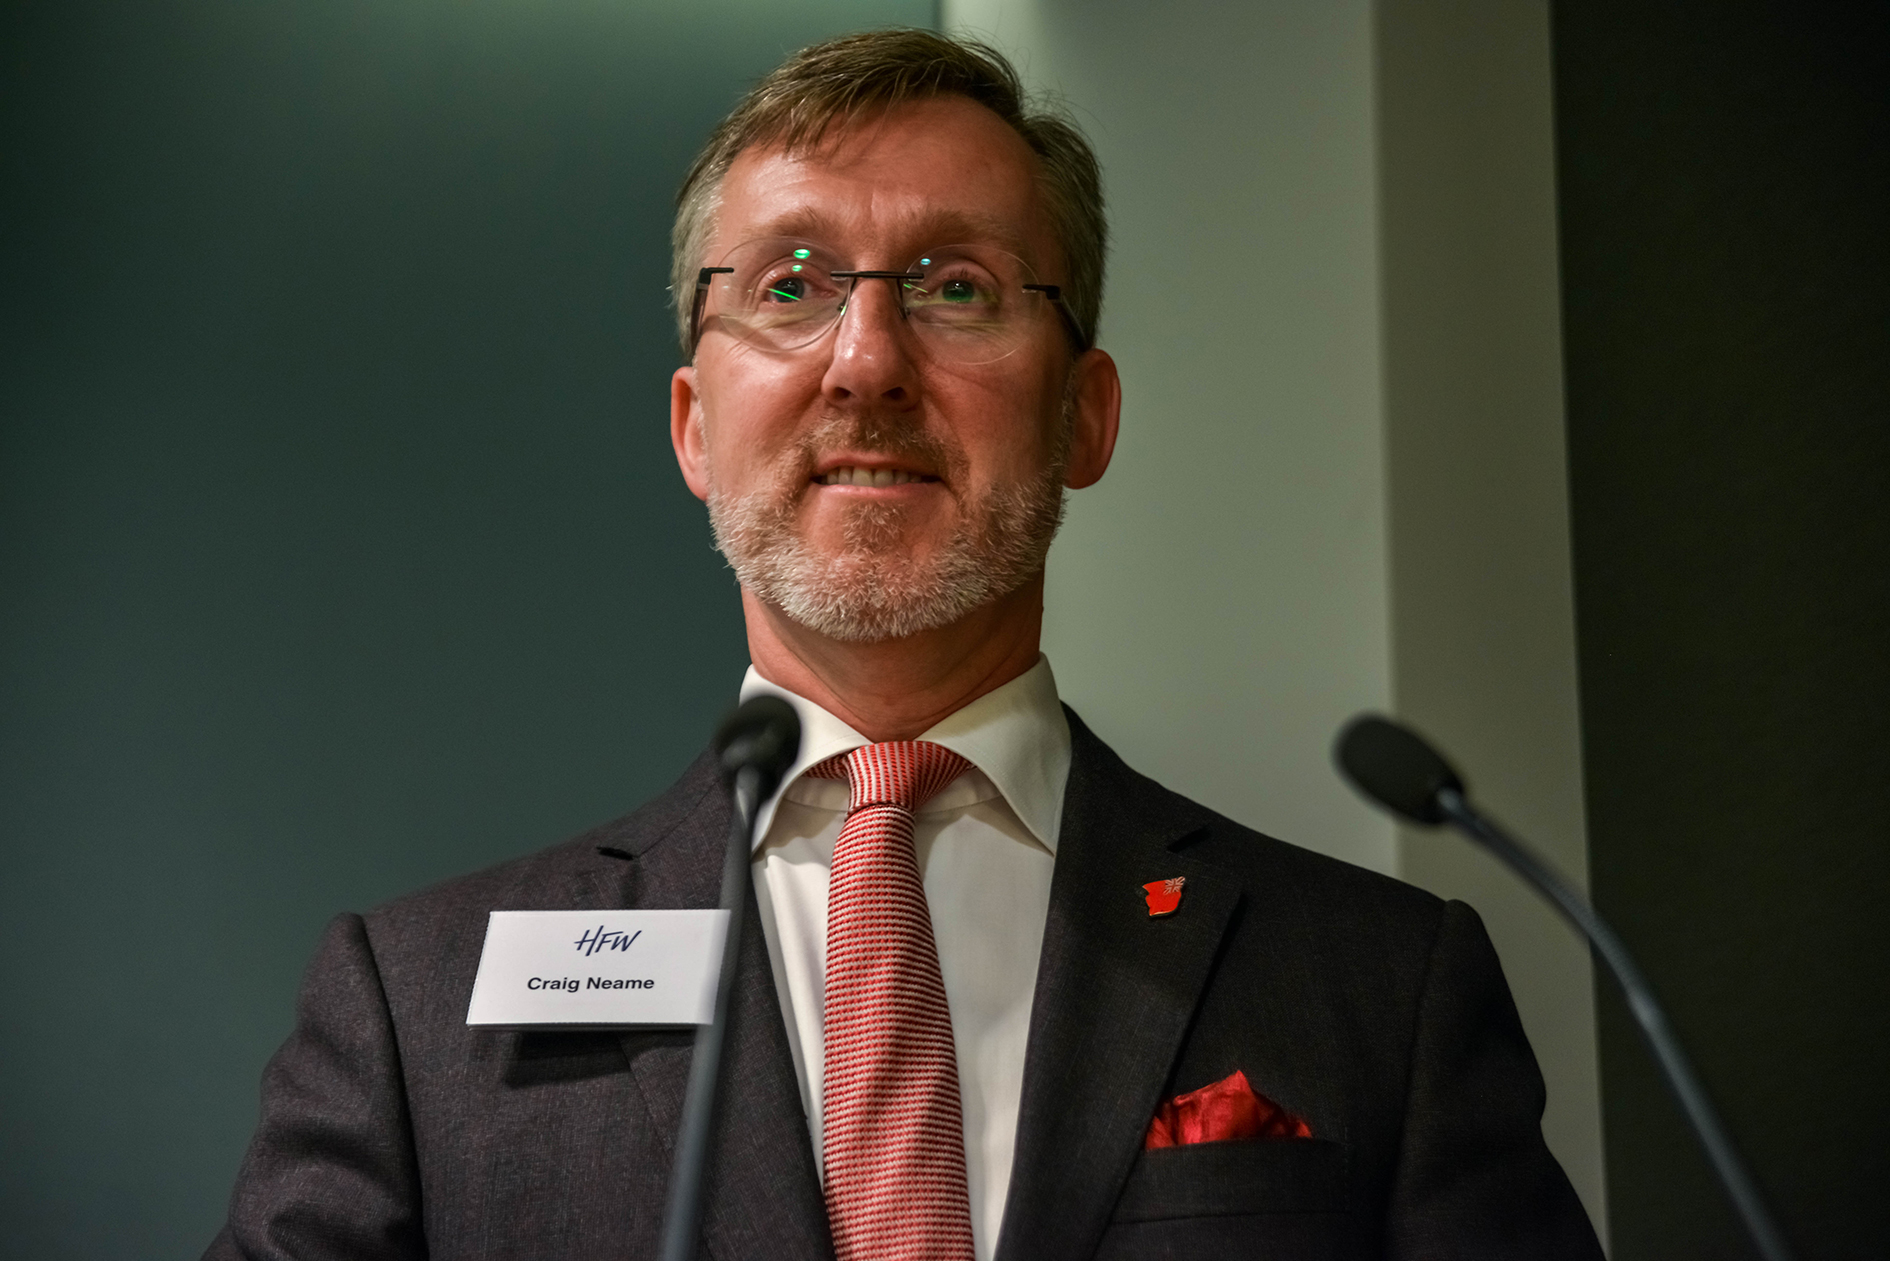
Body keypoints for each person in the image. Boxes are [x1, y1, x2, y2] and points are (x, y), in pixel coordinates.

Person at [208, 30, 1603, 1261]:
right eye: (789, 286)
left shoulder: (1380, 987)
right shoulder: (415, 1012)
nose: (866, 361)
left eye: (957, 288)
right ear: (695, 428)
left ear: (1082, 416)